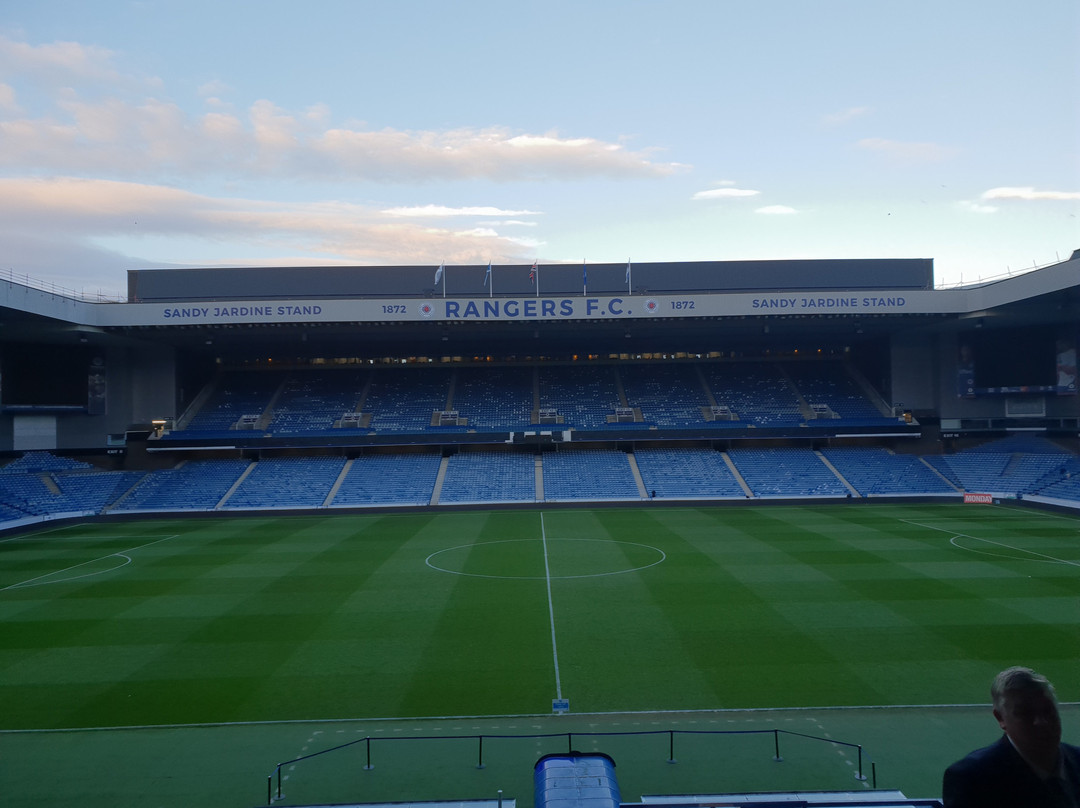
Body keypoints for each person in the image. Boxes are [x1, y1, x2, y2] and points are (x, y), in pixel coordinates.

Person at [943, 666, 1080, 807]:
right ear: (1000, 718)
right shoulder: (972, 779)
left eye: (1048, 711)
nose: (1041, 722)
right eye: (1025, 713)